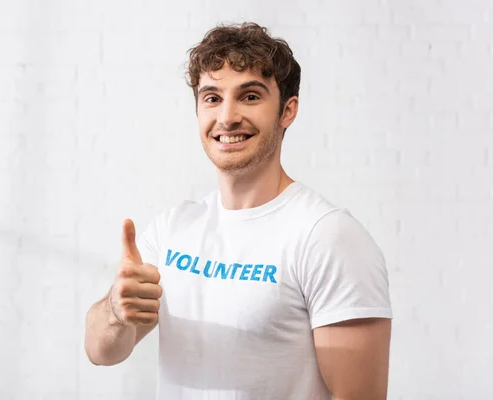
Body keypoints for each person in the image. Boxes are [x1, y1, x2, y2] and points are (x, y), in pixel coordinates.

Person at [85, 21, 393, 400]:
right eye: (212, 98)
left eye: (249, 96)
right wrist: (117, 309)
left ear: (287, 110)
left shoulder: (329, 237)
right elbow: (101, 351)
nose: (227, 117)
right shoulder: (173, 229)